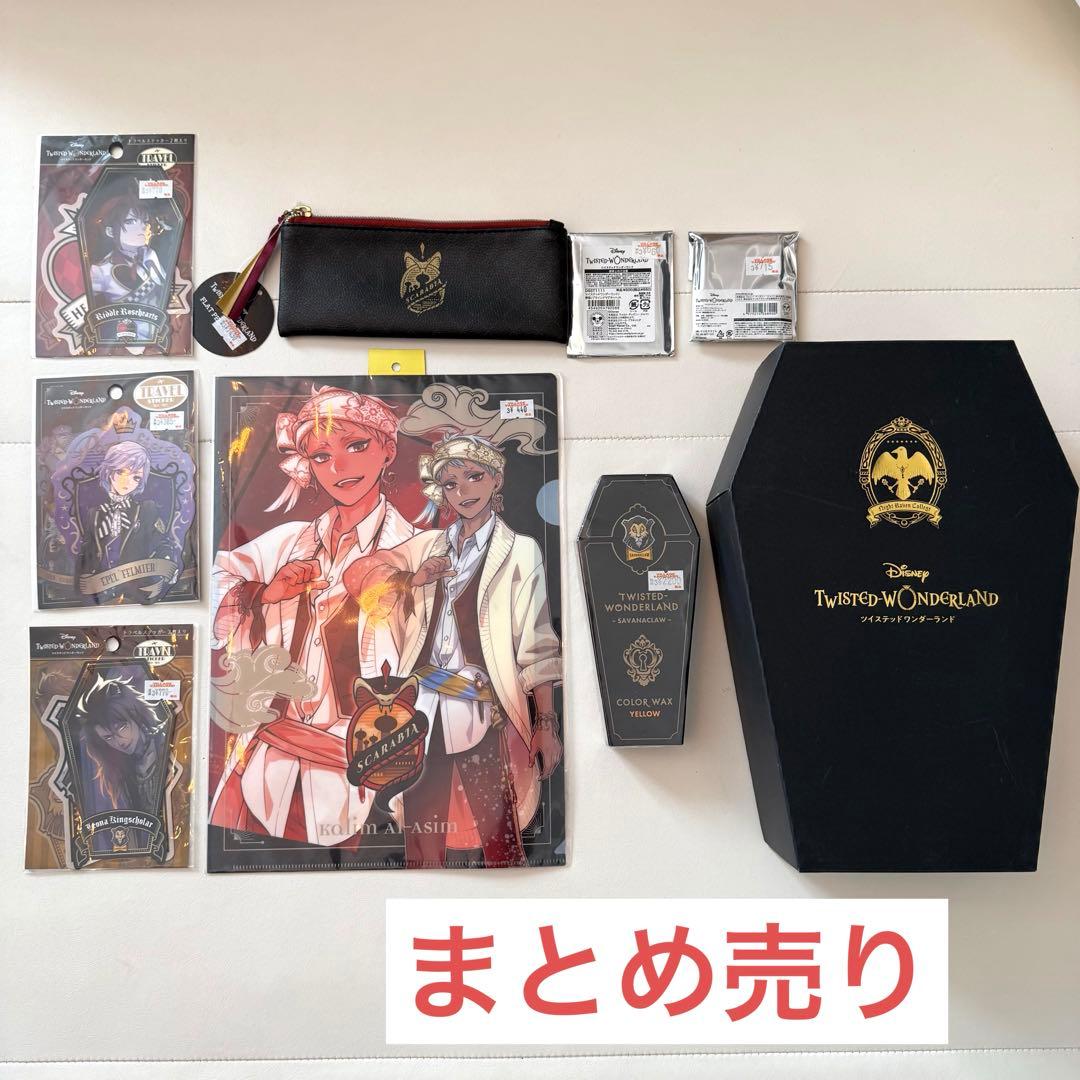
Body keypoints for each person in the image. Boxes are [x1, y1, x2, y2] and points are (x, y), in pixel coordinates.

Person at [345, 431, 562, 868]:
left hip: (485, 709)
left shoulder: (520, 551)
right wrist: (412, 579)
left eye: (474, 476)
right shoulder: (429, 546)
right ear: (440, 492)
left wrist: (546, 723)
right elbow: (360, 577)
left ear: (496, 479)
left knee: (499, 834)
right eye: (450, 483)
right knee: (420, 834)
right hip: (421, 710)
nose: (463, 491)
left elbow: (537, 645)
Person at [209, 386, 415, 847]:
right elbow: (208, 586)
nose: (339, 467)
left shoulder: (417, 550)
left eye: (356, 446)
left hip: (363, 764)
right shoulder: (288, 541)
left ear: (388, 449)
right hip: (266, 753)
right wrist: (263, 594)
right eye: (321, 456)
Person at [78, 440, 177, 596]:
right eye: (121, 472)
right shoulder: (94, 513)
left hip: (136, 590)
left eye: (136, 477)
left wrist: (166, 566)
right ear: (109, 472)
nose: (127, 482)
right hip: (100, 592)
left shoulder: (146, 509)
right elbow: (86, 551)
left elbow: (163, 544)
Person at [72, 674, 168, 817]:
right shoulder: (119, 770)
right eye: (108, 737)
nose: (119, 742)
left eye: (122, 727)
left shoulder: (166, 742)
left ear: (135, 714)